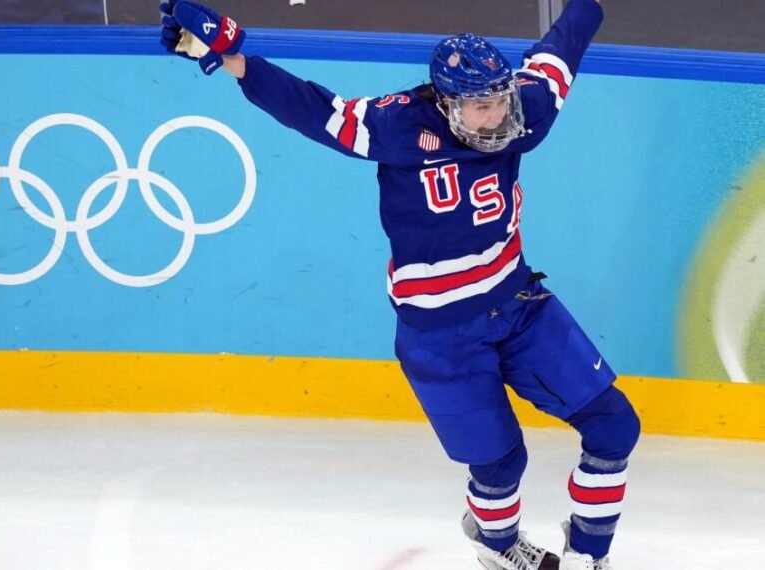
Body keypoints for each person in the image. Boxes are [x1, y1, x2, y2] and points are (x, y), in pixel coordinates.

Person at [159, 1, 640, 568]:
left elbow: (561, 50)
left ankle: (589, 553)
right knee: (500, 465)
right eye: (483, 108)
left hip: (520, 306)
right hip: (441, 337)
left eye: (501, 101)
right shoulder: (398, 123)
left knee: (615, 425)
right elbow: (314, 111)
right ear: (449, 103)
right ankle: (496, 544)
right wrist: (237, 59)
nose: (500, 119)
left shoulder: (519, 109)